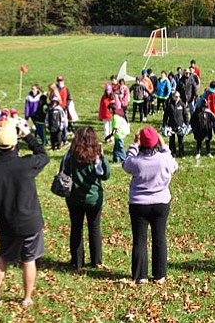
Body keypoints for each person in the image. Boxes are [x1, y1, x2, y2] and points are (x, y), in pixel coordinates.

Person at [0, 120, 49, 307]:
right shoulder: (27, 165)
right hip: (30, 222)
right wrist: (28, 136)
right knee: (29, 258)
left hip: (6, 223)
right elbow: (43, 155)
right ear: (15, 143)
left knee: (3, 256)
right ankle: (26, 298)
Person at [122, 127, 178, 284]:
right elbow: (174, 165)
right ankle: (160, 274)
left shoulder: (136, 161)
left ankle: (141, 275)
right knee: (159, 237)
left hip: (139, 204)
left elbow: (126, 163)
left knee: (139, 239)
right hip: (160, 203)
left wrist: (134, 144)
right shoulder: (164, 159)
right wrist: (164, 145)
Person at [63, 127, 111, 269]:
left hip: (74, 198)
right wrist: (102, 158)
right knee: (94, 228)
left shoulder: (70, 155)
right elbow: (106, 175)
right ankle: (96, 261)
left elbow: (63, 173)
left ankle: (77, 262)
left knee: (76, 228)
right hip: (93, 198)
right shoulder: (96, 157)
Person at [162, 90, 188, 158]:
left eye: (179, 96)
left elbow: (185, 114)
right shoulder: (169, 105)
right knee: (172, 141)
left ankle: (181, 154)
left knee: (181, 141)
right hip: (171, 125)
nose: (178, 98)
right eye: (176, 96)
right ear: (173, 97)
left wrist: (187, 124)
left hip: (180, 125)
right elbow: (165, 115)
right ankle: (172, 153)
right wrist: (164, 124)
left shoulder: (182, 104)